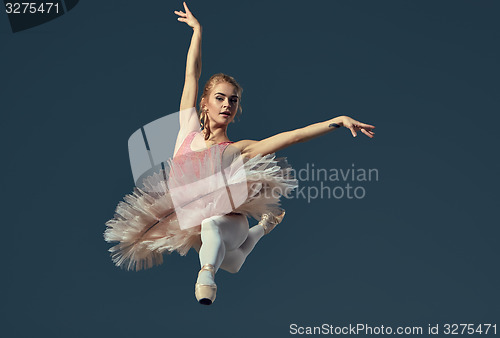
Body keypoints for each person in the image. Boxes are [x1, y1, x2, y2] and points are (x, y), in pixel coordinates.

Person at [104, 2, 375, 306]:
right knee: (233, 262)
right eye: (219, 98)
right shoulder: (187, 131)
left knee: (213, 233)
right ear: (204, 103)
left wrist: (336, 122)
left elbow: (292, 137)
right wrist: (198, 32)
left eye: (232, 101)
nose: (227, 105)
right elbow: (191, 75)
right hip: (201, 223)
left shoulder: (237, 149)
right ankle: (263, 230)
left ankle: (206, 276)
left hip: (229, 221)